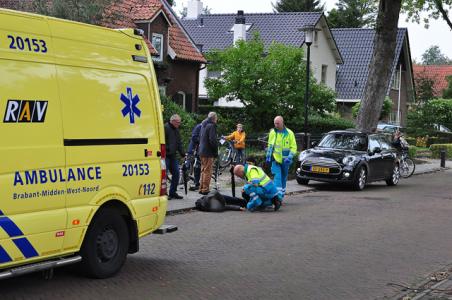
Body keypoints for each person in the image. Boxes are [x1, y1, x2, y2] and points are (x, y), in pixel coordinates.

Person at [266, 116, 297, 199]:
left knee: (283, 178)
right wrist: (268, 156)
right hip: (275, 160)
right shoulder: (272, 132)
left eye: (278, 123)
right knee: (278, 177)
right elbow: (270, 144)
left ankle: (281, 195)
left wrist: (290, 157)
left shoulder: (290, 133)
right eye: (275, 123)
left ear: (282, 122)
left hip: (286, 161)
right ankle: (277, 197)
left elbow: (293, 147)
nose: (276, 125)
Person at [164, 114, 185, 200]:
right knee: (164, 175)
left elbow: (179, 143)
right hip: (165, 155)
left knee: (176, 173)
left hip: (173, 156)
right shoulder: (165, 128)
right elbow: (162, 141)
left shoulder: (176, 130)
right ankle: (164, 193)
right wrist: (167, 149)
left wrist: (183, 154)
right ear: (172, 121)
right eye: (178, 122)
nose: (179, 124)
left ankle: (172, 192)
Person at [198, 112, 218, 195]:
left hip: (202, 151)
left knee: (203, 170)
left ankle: (201, 188)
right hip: (208, 152)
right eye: (216, 118)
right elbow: (212, 140)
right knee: (208, 171)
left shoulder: (203, 125)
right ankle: (205, 189)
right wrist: (215, 151)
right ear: (214, 118)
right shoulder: (212, 126)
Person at [187, 122, 202, 191]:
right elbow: (194, 137)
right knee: (189, 164)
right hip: (193, 149)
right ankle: (184, 179)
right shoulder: (199, 126)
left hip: (198, 149)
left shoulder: (203, 126)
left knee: (197, 166)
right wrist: (202, 140)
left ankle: (196, 182)